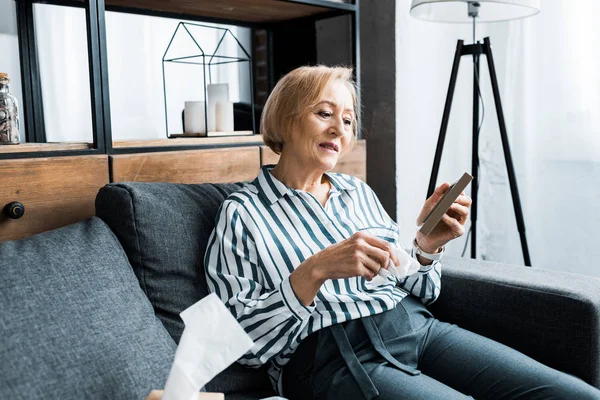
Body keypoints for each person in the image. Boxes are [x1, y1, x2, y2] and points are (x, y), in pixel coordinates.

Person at [200, 65, 600, 400]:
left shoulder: (357, 193)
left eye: (347, 119)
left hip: (414, 325)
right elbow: (240, 346)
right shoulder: (242, 214)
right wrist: (313, 272)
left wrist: (426, 246)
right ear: (284, 120)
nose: (340, 130)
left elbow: (421, 288)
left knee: (573, 394)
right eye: (324, 113)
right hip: (332, 354)